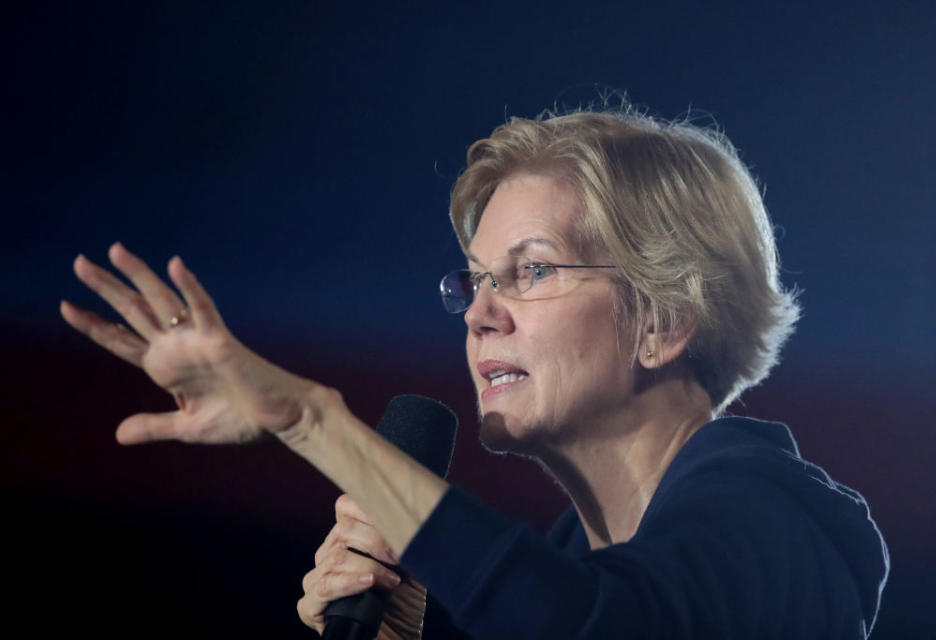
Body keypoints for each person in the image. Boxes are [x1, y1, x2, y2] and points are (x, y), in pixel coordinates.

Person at [62, 108, 889, 639]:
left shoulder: (772, 518)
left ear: (664, 321)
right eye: (475, 280)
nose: (480, 312)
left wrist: (311, 421)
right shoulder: (566, 566)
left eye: (530, 271)